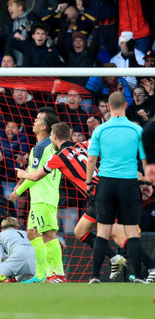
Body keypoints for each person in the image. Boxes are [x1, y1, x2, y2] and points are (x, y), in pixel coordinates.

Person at [17, 122, 128, 281]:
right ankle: (114, 258)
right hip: (99, 194)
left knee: (118, 235)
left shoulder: (56, 156)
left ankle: (146, 268)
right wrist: (96, 128)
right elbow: (98, 142)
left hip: (99, 196)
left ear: (54, 137)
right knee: (79, 232)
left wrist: (23, 174)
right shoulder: (83, 144)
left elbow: (35, 176)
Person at [86, 92, 148, 284]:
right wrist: (146, 181)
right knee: (131, 232)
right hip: (128, 183)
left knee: (103, 231)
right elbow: (146, 160)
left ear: (109, 107)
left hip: (106, 183)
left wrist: (89, 182)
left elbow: (92, 159)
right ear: (126, 104)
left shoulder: (100, 130)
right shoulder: (136, 130)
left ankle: (95, 276)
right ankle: (139, 276)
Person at [10, 112, 62, 283]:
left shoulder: (41, 147)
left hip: (43, 196)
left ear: (44, 127)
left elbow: (34, 174)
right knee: (32, 234)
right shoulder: (45, 146)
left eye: (38, 119)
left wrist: (18, 191)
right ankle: (41, 275)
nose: (34, 120)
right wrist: (19, 184)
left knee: (48, 234)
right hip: (41, 196)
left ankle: (57, 274)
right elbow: (32, 171)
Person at [0, 217, 36, 283]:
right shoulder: (26, 233)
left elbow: (1, 258)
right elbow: (26, 263)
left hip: (18, 254)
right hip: (35, 255)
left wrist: (7, 269)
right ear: (17, 228)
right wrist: (17, 279)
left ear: (2, 229)